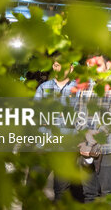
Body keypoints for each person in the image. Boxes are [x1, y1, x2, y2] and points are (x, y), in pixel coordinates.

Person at [75, 69, 111, 208]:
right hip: (85, 147)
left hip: (108, 148)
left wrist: (92, 138)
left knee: (109, 193)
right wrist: (85, 134)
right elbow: (77, 115)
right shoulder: (86, 88)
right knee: (89, 193)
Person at [33, 59, 77, 201]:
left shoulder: (79, 90)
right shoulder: (43, 88)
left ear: (70, 68)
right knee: (32, 188)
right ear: (53, 66)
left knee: (62, 192)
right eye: (57, 65)